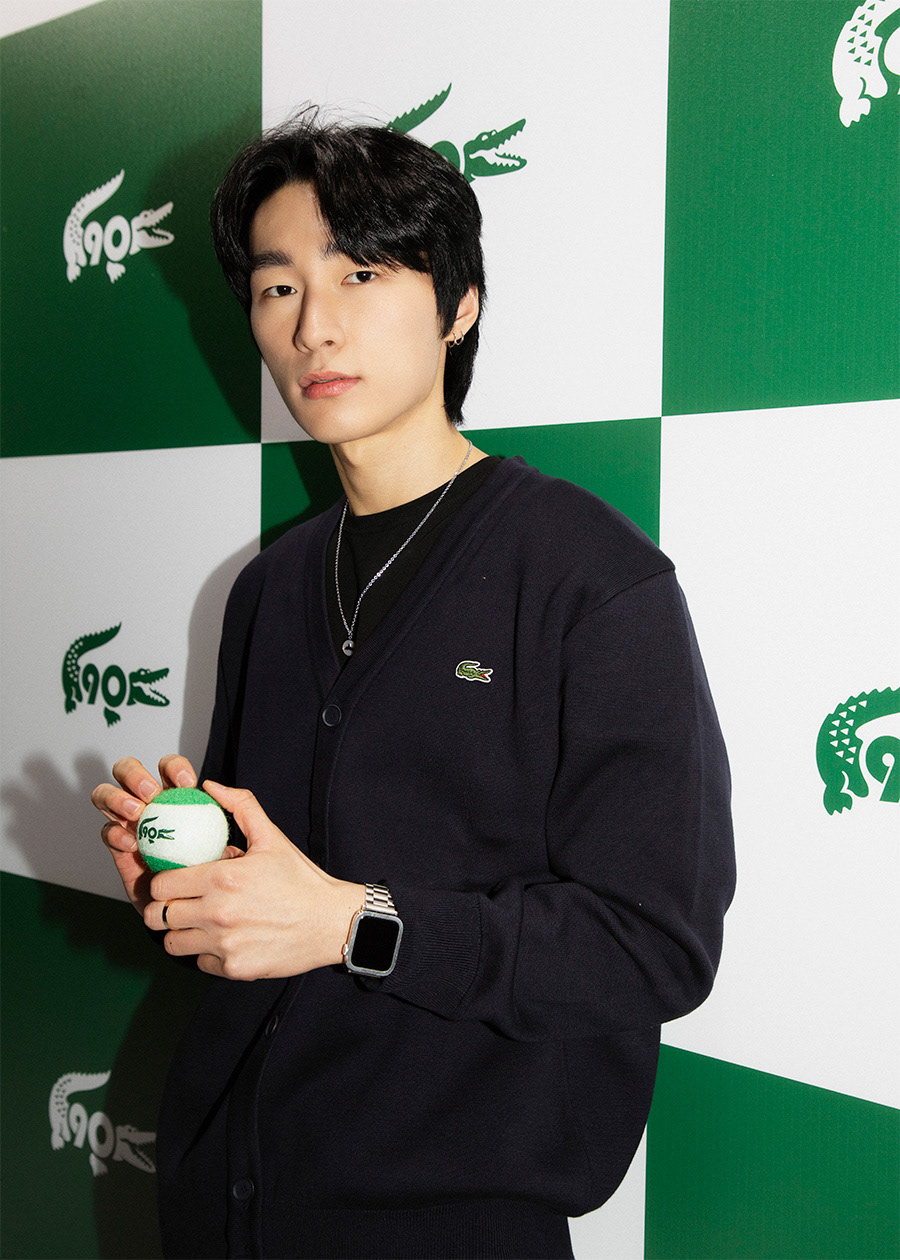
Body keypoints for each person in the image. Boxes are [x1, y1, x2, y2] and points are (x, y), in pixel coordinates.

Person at [92, 111, 735, 1260]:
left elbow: (652, 947)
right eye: (278, 288)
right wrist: (188, 884)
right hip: (224, 1202)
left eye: (361, 273)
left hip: (446, 1223)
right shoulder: (268, 586)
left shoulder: (592, 579)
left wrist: (352, 923)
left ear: (460, 305)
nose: (313, 325)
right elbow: (269, 907)